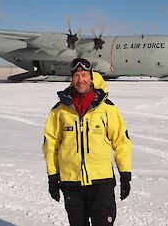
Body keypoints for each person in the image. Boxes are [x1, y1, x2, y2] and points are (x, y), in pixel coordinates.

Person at [43, 58, 132, 226]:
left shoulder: (107, 108)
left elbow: (121, 141)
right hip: (71, 182)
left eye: (84, 75)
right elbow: (51, 145)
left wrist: (125, 174)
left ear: (91, 77)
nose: (80, 80)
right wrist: (52, 177)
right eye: (76, 75)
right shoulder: (59, 110)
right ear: (72, 78)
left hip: (101, 182)